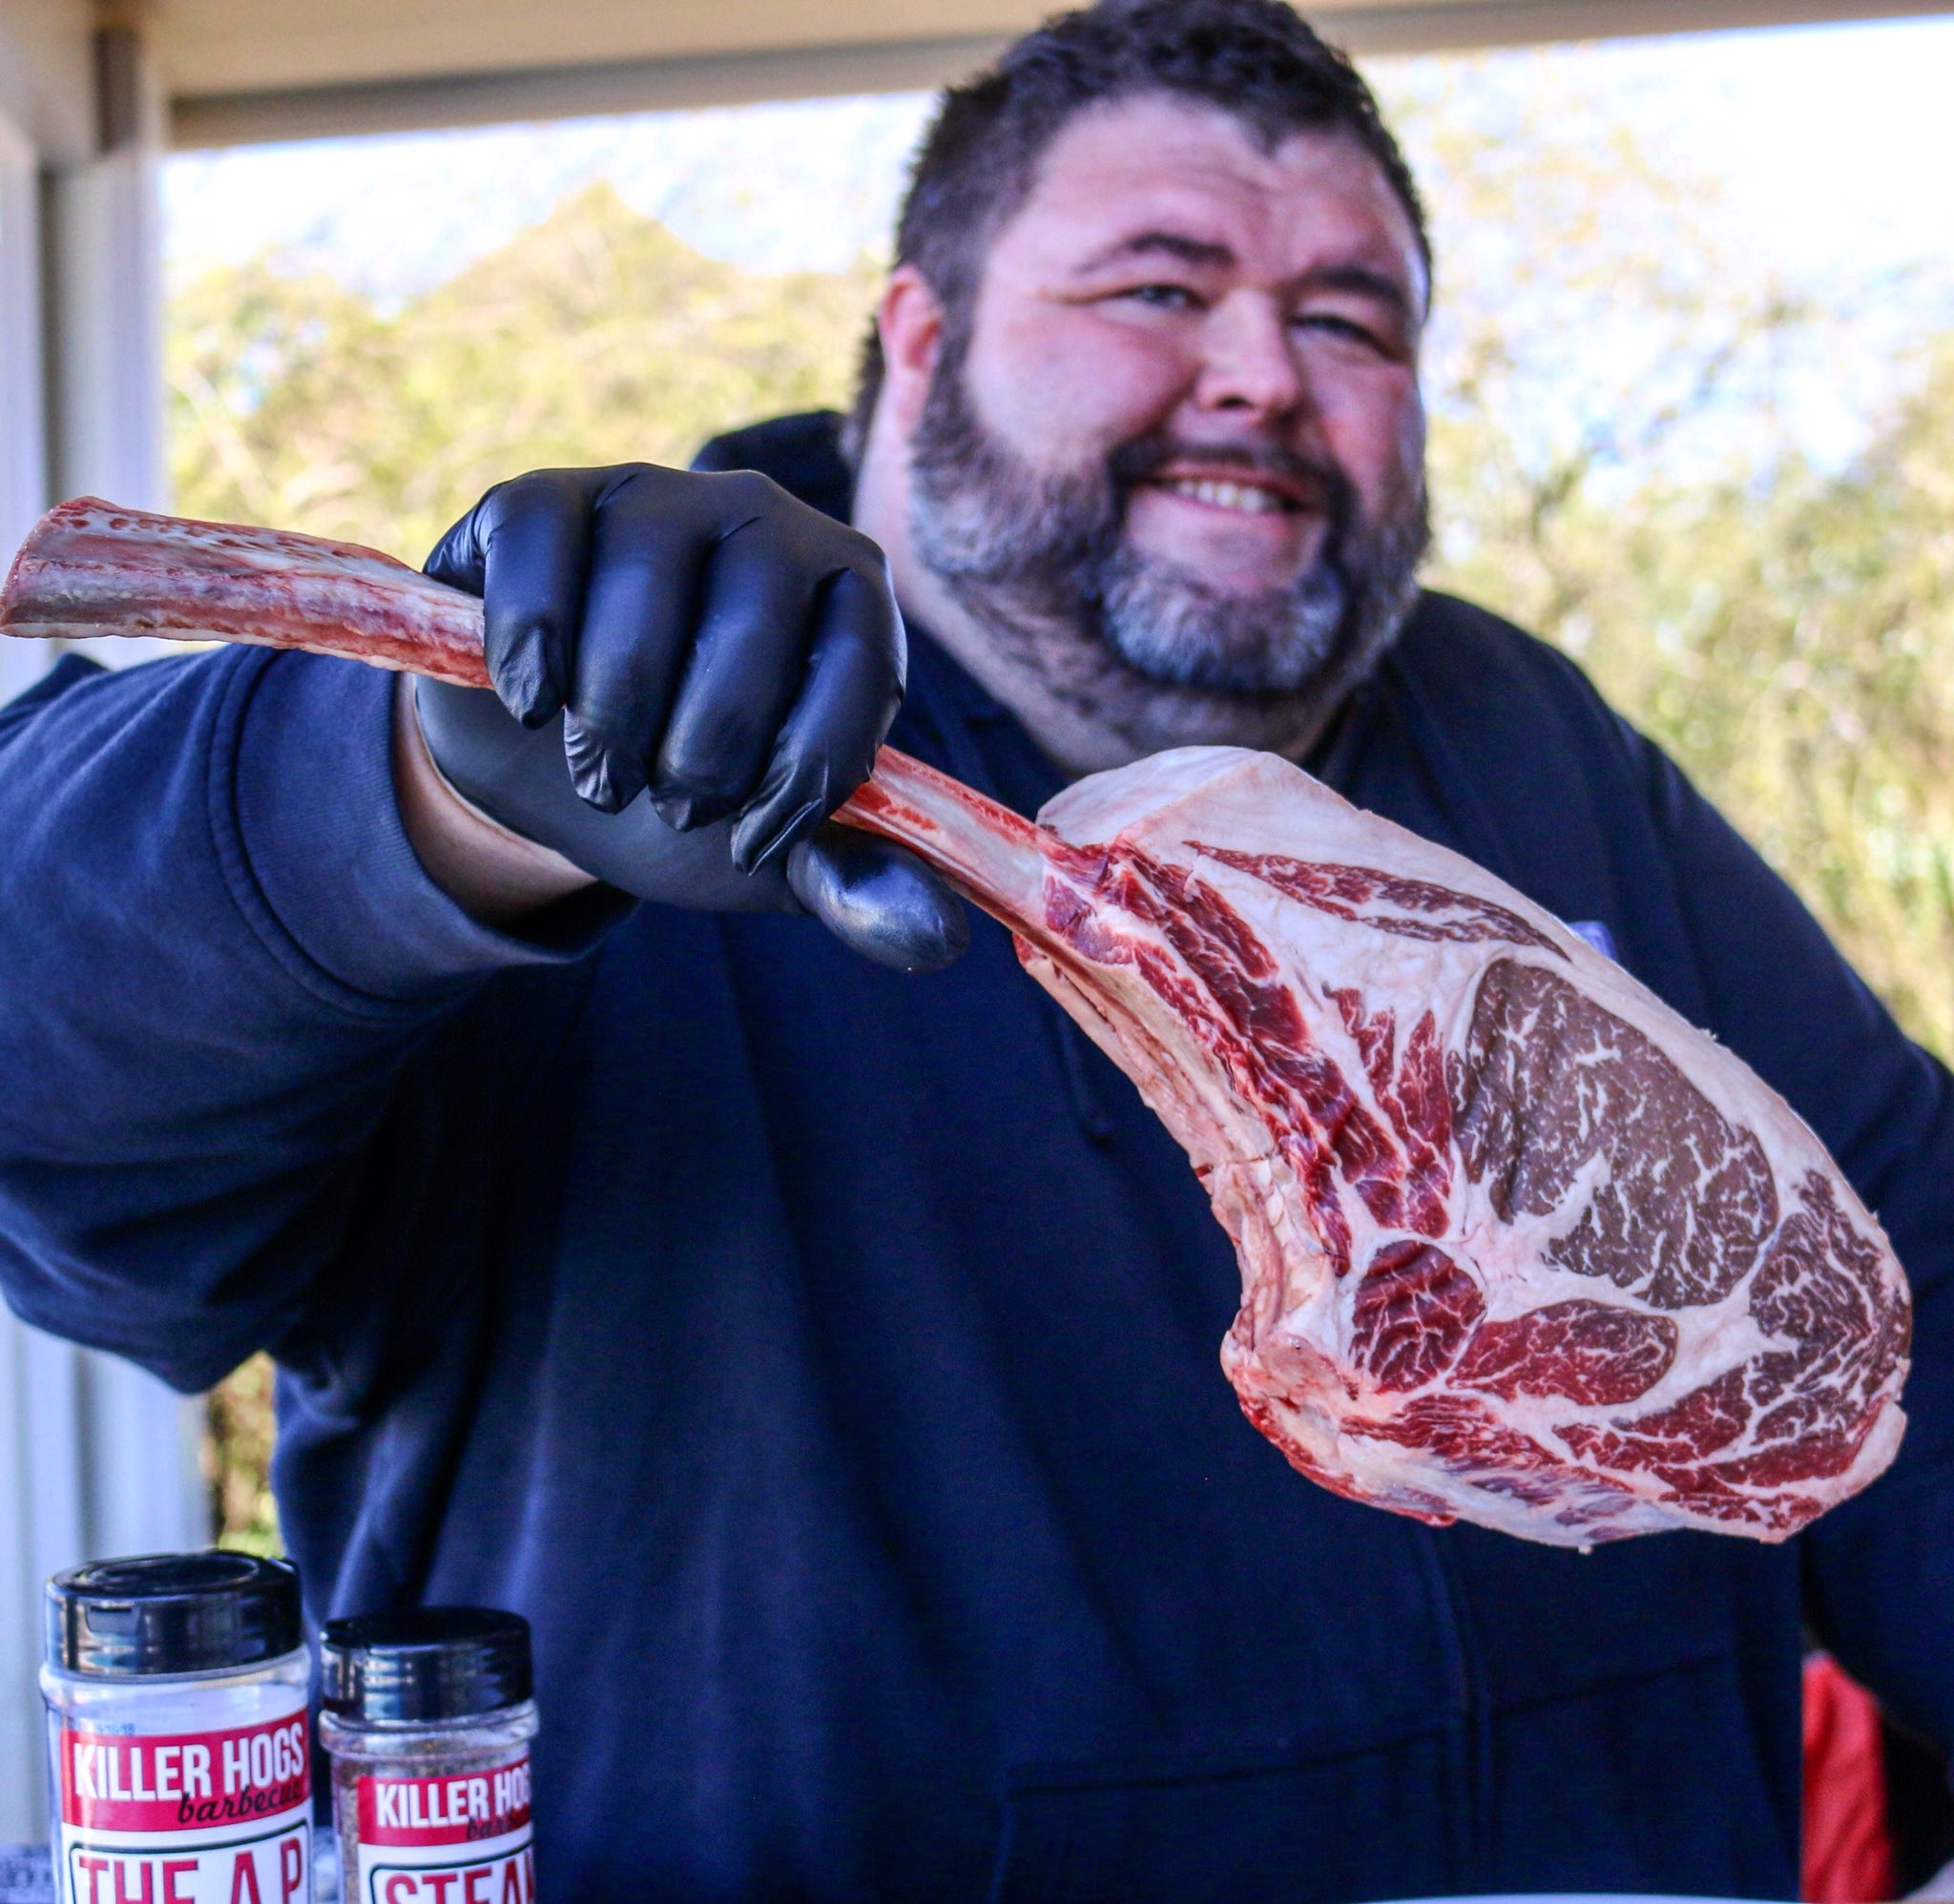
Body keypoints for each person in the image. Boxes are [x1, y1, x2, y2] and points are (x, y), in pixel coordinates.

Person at [3, 2, 1950, 1896]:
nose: (1263, 371)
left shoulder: (1528, 745)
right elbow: (57, 1100)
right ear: (916, 345)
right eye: (1155, 290)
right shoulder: (635, 704)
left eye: (1350, 319)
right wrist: (415, 797)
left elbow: (1909, 1304)